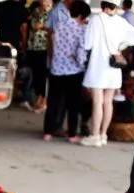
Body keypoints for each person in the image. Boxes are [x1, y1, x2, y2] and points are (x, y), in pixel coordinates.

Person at [80, 1, 134, 147]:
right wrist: (120, 46)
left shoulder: (96, 20)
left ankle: (94, 135)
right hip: (114, 66)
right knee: (108, 102)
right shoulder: (121, 21)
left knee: (97, 102)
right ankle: (103, 135)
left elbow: (87, 44)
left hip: (98, 66)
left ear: (102, 5)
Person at [43, 0, 89, 142]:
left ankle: (48, 133)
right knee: (72, 105)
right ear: (81, 16)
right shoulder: (81, 30)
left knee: (53, 103)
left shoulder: (59, 26)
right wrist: (83, 65)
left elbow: (51, 42)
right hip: (73, 72)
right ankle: (72, 135)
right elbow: (81, 55)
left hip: (56, 70)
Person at [24, 0, 51, 112]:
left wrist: (42, 27)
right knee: (36, 75)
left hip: (44, 47)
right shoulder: (34, 11)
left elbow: (53, 30)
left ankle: (43, 101)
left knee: (43, 75)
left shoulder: (51, 13)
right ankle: (38, 98)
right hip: (33, 46)